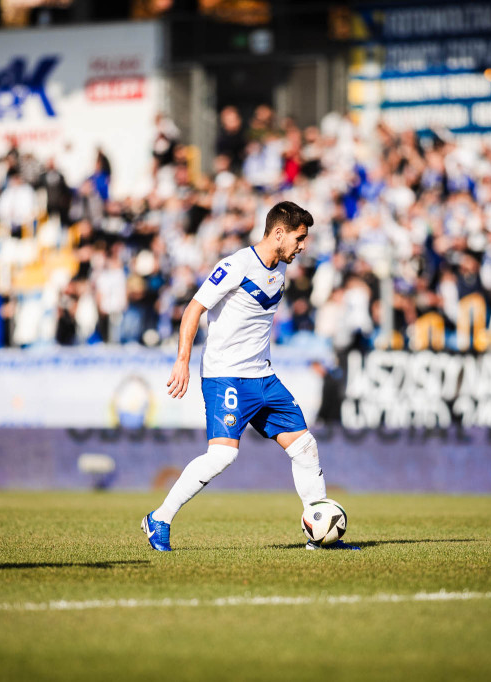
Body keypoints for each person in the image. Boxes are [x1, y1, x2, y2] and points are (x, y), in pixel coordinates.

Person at [141, 201, 358, 551]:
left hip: (263, 377)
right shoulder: (235, 265)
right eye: (299, 239)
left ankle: (320, 538)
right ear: (278, 233)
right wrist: (182, 361)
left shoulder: (279, 268)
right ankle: (159, 519)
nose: (303, 246)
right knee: (222, 456)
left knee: (305, 447)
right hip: (226, 377)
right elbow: (194, 309)